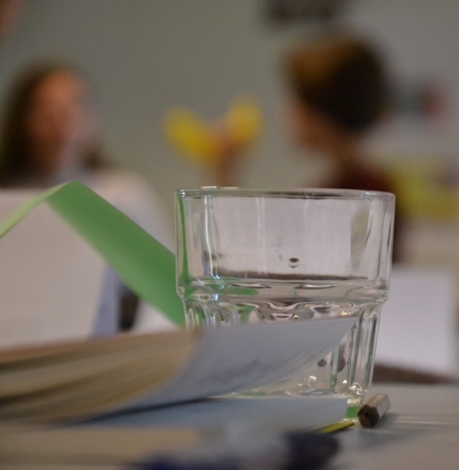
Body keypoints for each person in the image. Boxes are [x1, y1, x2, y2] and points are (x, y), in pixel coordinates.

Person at [0, 62, 173, 334]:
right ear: (22, 120)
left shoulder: (124, 193)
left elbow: (166, 290)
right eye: (47, 110)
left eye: (75, 107)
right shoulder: (8, 198)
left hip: (114, 343)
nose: (62, 123)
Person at [213, 31, 406, 262]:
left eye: (298, 102)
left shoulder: (345, 198)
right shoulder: (368, 187)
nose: (286, 112)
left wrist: (224, 171)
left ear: (321, 118)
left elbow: (258, 260)